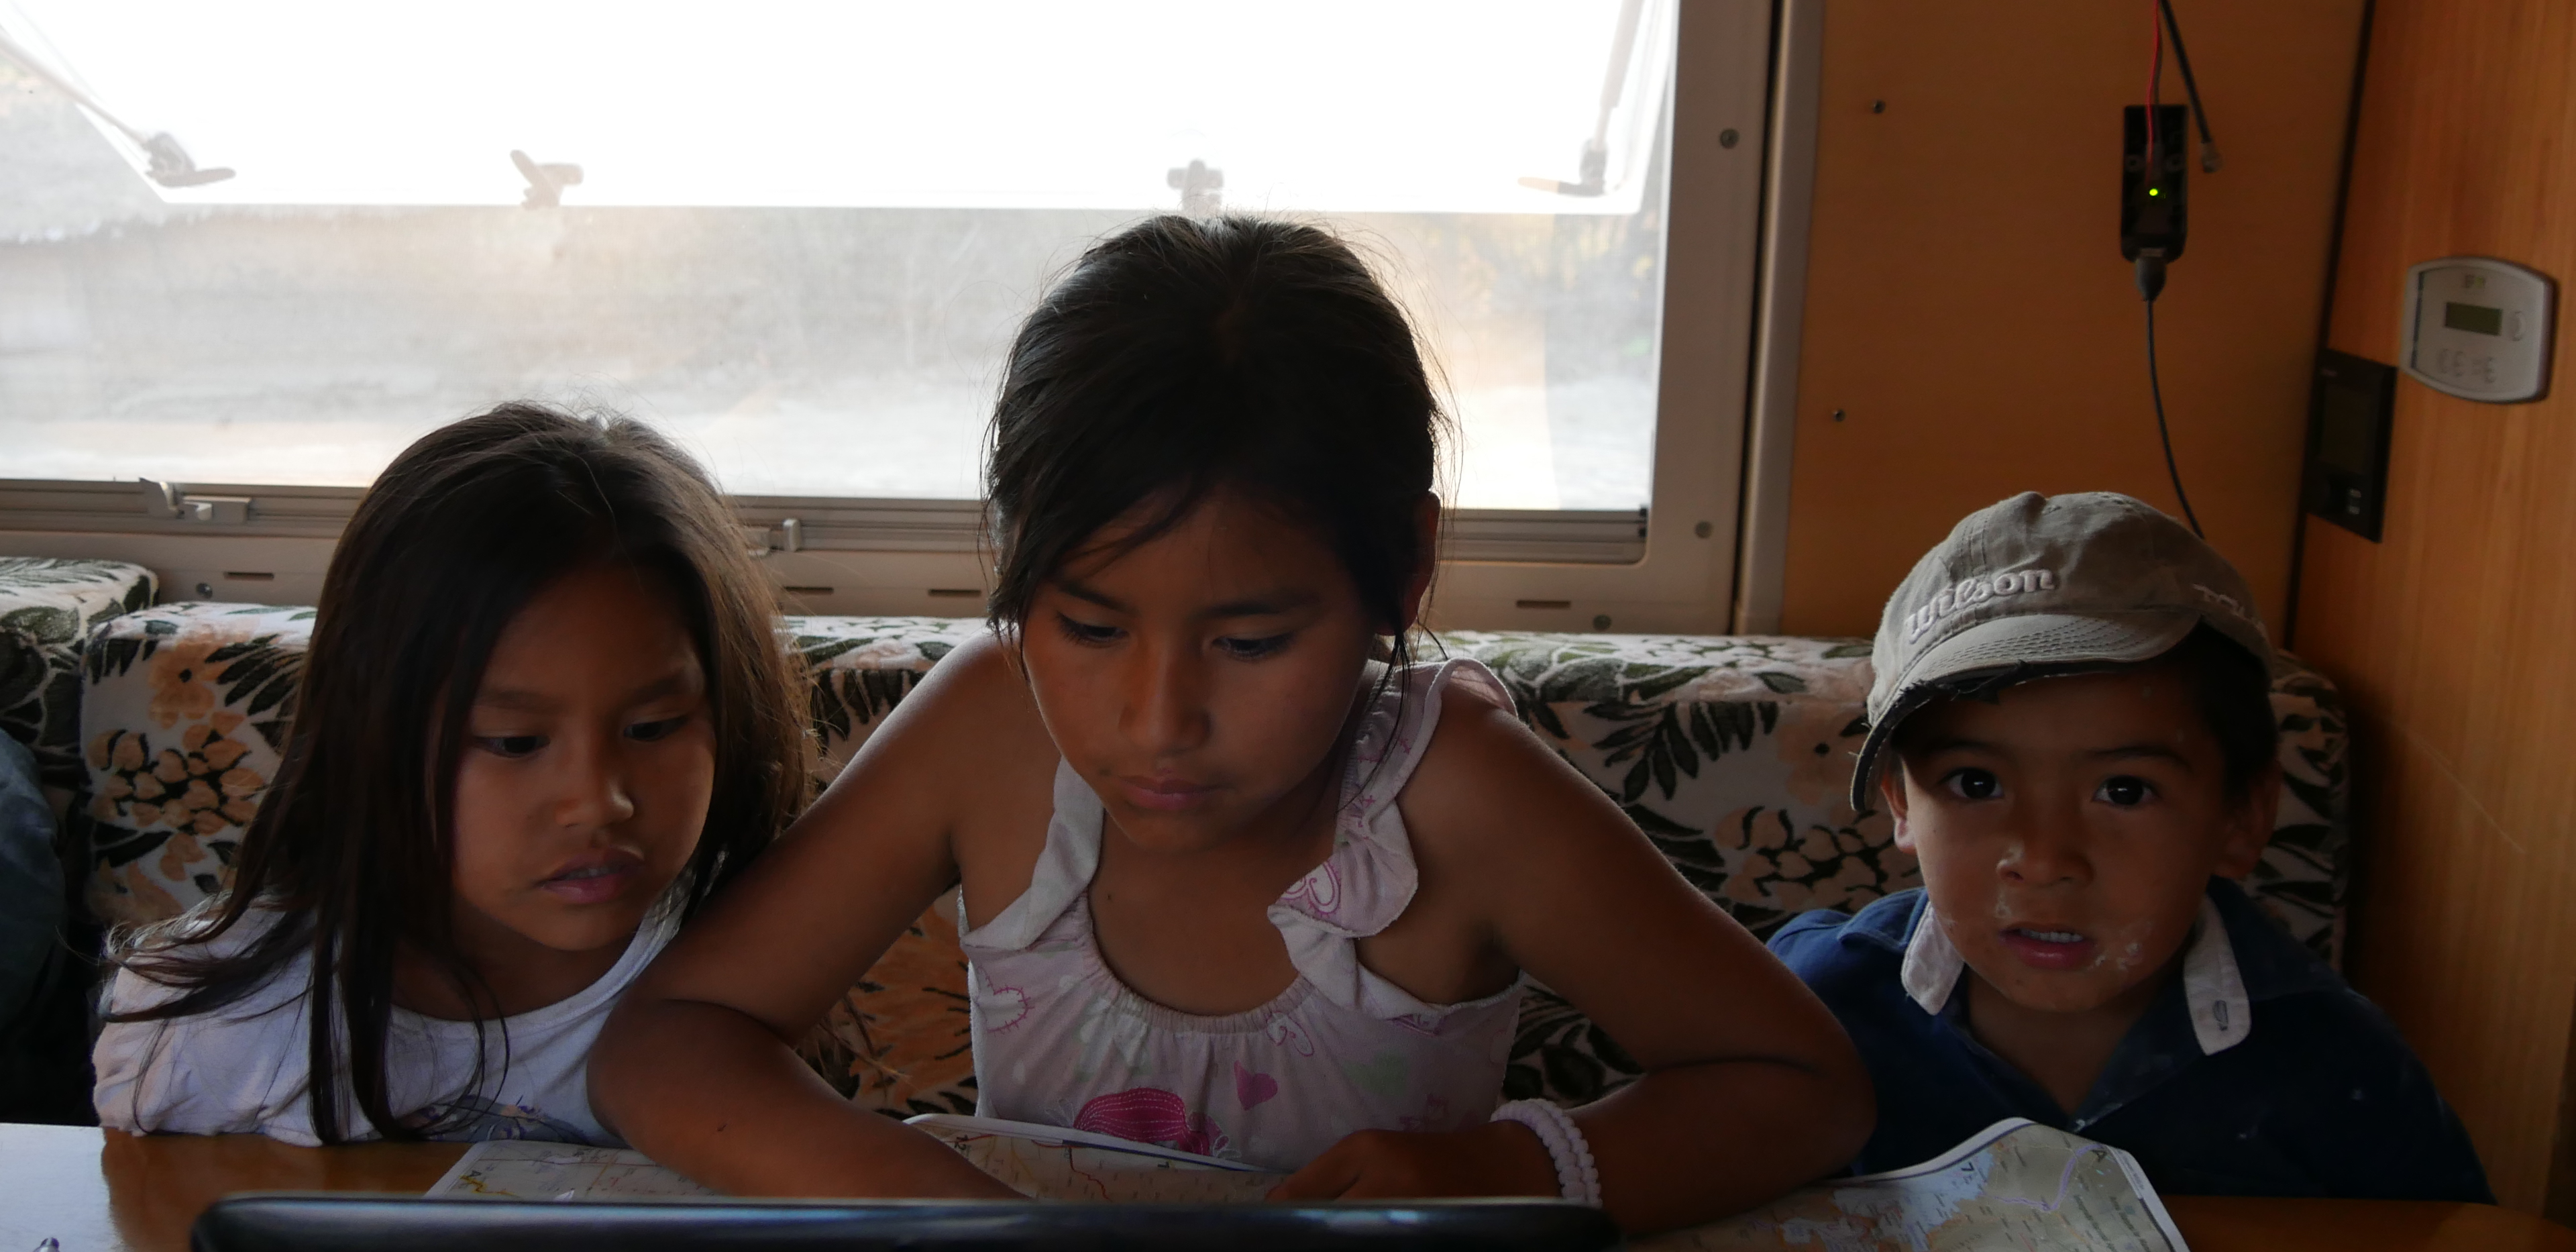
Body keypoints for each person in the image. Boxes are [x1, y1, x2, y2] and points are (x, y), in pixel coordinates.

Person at [592, 215, 1872, 1233]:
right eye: (1089, 628)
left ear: (1404, 570)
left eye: (1252, 644)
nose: (1159, 723)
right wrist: (953, 1211)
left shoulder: (1460, 800)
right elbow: (668, 1044)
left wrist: (1505, 1171)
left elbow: (1805, 1089)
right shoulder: (990, 731)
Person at [93, 405, 806, 1145]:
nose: (599, 803)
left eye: (652, 728)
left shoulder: (766, 950)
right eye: (515, 742)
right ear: (373, 734)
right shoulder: (212, 1033)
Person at [1772, 490, 2491, 1199]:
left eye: (2123, 791)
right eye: (1976, 783)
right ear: (1901, 803)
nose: (2044, 862)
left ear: (2242, 815)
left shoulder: (2339, 1069)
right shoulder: (1816, 1009)